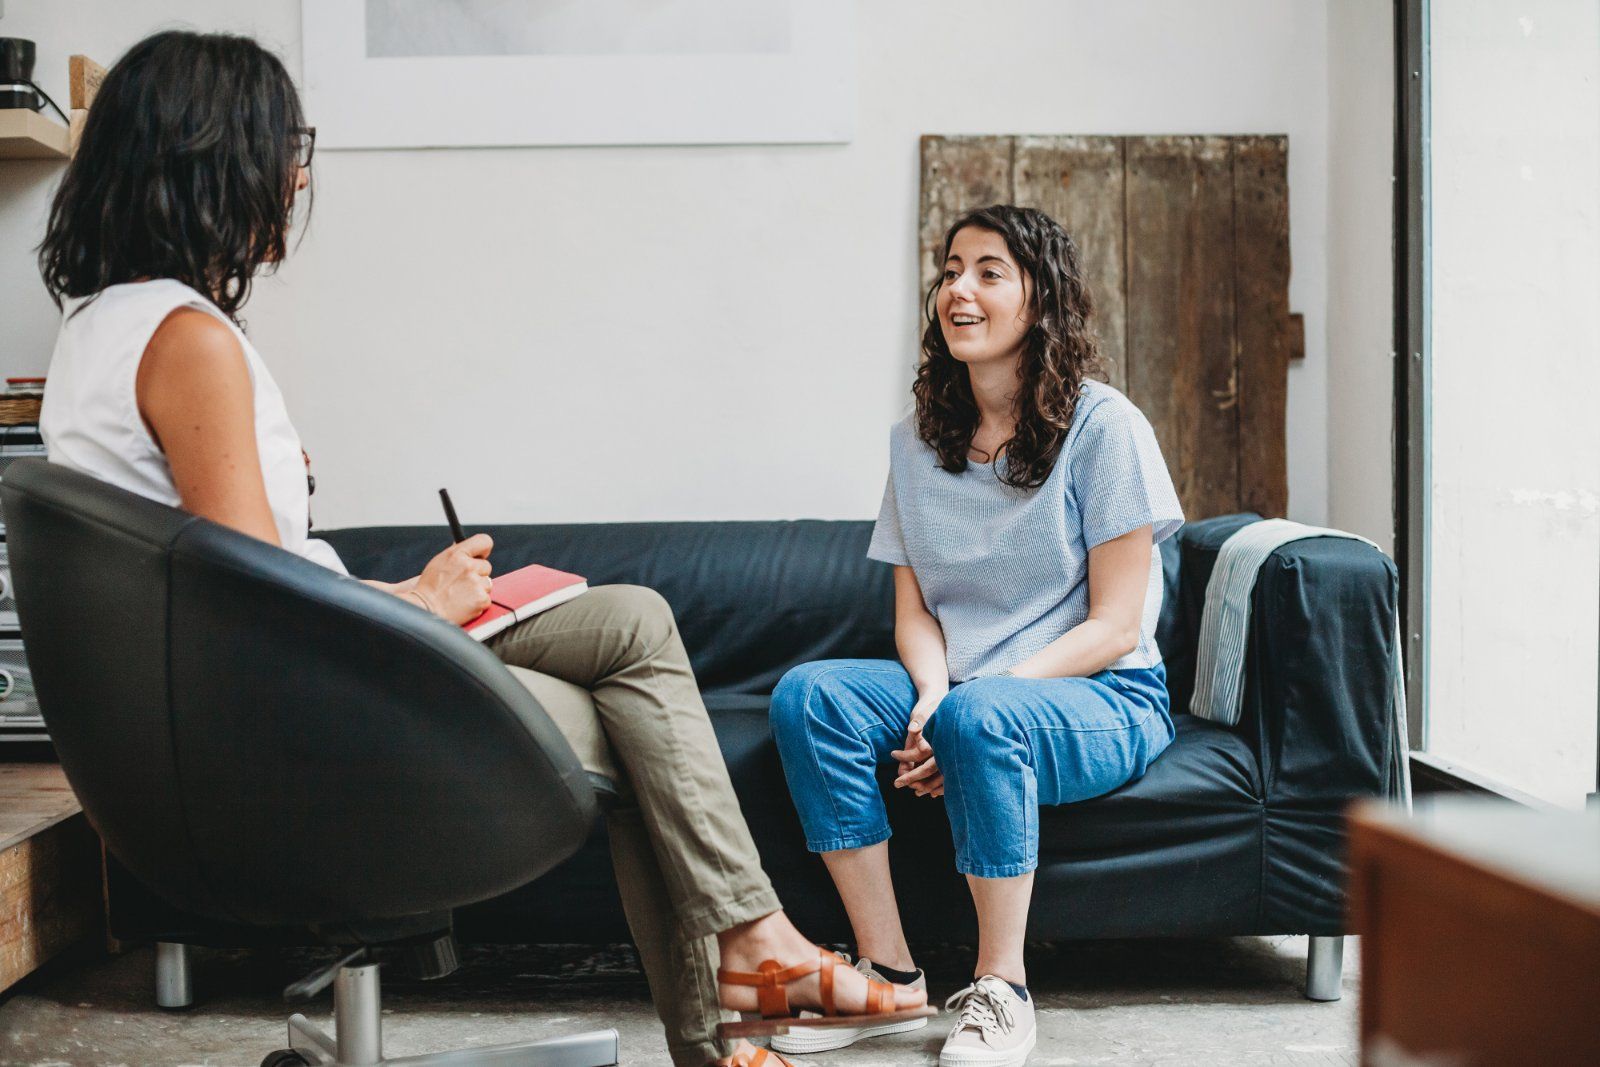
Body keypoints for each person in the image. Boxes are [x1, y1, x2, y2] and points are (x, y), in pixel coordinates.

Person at [34, 30, 926, 1067]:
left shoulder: (101, 328)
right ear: (211, 156)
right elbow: (252, 612)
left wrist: (402, 587)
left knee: (634, 621)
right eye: (286, 145)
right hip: (284, 730)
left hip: (244, 716)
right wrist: (418, 611)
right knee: (634, 713)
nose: (299, 173)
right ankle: (741, 987)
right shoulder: (185, 341)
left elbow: (238, 579)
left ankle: (742, 994)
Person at [768, 205, 1184, 1067]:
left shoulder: (1107, 429)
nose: (959, 288)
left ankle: (1003, 988)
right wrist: (931, 696)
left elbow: (1113, 626)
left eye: (989, 271)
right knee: (813, 695)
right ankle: (887, 976)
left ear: (1042, 298)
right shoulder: (919, 443)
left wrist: (974, 702)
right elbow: (913, 611)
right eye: (952, 268)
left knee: (982, 715)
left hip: (1104, 693)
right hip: (965, 687)